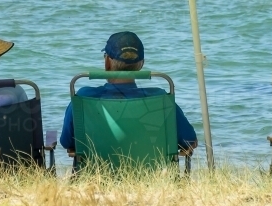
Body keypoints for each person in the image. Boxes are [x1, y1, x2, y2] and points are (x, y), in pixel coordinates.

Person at [59, 31, 198, 155]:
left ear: (107, 62)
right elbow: (190, 141)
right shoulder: (160, 98)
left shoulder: (84, 97)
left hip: (94, 180)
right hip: (151, 178)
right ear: (141, 64)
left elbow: (67, 142)